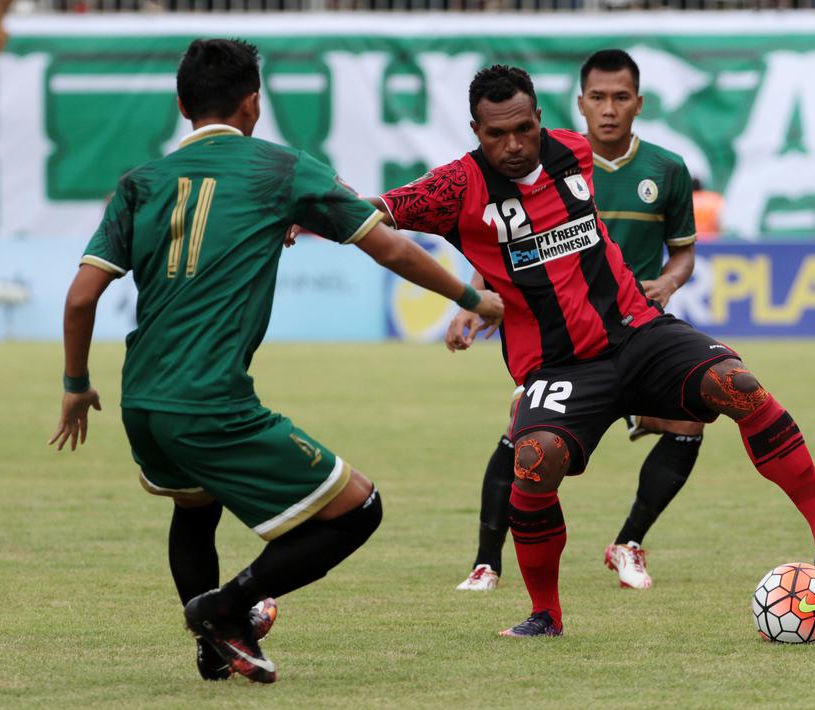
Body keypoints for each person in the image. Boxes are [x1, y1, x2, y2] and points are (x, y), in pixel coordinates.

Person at [47, 38, 502, 683]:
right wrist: (472, 297)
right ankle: (226, 608)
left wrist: (73, 386)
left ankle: (217, 650)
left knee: (193, 510)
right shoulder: (280, 169)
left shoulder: (139, 183)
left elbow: (80, 299)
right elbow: (393, 251)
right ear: (254, 103)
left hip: (142, 400)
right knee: (359, 509)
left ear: (182, 105)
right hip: (212, 402)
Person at [370, 64, 815, 638]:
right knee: (533, 460)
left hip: (638, 334)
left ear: (541, 120)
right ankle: (545, 615)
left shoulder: (574, 153)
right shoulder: (455, 187)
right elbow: (374, 210)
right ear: (475, 130)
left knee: (740, 386)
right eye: (496, 134)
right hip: (559, 367)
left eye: (524, 128)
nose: (513, 144)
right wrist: (304, 220)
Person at [446, 49, 701, 593]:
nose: (609, 109)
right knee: (523, 434)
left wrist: (670, 282)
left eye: (621, 97)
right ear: (579, 103)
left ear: (639, 103)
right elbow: (507, 244)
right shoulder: (542, 161)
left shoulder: (667, 169)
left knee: (690, 421)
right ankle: (487, 562)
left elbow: (682, 252)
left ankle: (628, 542)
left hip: (636, 330)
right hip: (559, 338)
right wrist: (474, 299)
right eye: (598, 98)